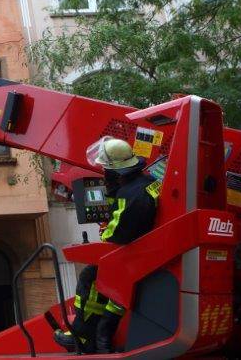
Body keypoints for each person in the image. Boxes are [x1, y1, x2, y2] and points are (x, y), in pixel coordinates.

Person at [54, 136, 160, 354]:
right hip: (149, 252)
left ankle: (83, 335)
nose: (104, 174)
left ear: (115, 171)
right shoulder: (149, 183)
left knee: (89, 276)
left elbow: (116, 235)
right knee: (97, 275)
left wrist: (104, 232)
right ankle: (94, 333)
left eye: (106, 170)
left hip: (133, 258)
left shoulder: (128, 195)